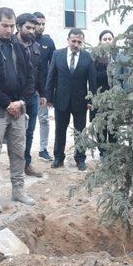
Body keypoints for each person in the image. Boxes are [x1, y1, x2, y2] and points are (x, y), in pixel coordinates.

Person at [0, 7, 36, 213]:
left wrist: (21, 102)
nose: (9, 30)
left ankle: (18, 190)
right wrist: (6, 103)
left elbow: (30, 77)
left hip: (18, 110)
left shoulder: (20, 48)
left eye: (12, 26)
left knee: (18, 152)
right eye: (5, 26)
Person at [46, 28, 96, 170]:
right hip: (61, 99)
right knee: (59, 130)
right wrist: (49, 97)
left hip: (80, 101)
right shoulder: (57, 54)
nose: (76, 44)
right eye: (73, 41)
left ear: (82, 42)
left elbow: (92, 81)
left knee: (80, 131)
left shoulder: (87, 57)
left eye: (79, 42)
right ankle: (58, 157)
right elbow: (51, 77)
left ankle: (80, 159)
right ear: (68, 40)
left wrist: (91, 100)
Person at [16, 13, 45, 177]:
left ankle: (26, 164)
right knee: (15, 133)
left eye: (33, 28)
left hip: (32, 96)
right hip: (15, 96)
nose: (32, 31)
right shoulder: (11, 45)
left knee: (29, 132)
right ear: (19, 27)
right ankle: (16, 166)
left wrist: (42, 92)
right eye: (28, 27)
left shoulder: (35, 47)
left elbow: (39, 71)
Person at [33, 12, 56, 162]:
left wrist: (51, 92)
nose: (41, 27)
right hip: (25, 88)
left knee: (44, 119)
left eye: (43, 24)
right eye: (38, 24)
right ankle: (22, 152)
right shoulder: (23, 40)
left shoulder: (48, 41)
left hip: (43, 89)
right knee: (24, 121)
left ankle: (43, 149)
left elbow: (54, 67)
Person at [91, 29, 116, 157]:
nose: (107, 41)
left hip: (115, 99)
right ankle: (103, 153)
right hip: (100, 97)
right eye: (104, 39)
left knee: (113, 126)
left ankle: (113, 152)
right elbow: (93, 77)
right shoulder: (95, 57)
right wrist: (108, 71)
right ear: (100, 41)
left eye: (109, 39)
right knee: (101, 126)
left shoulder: (118, 56)